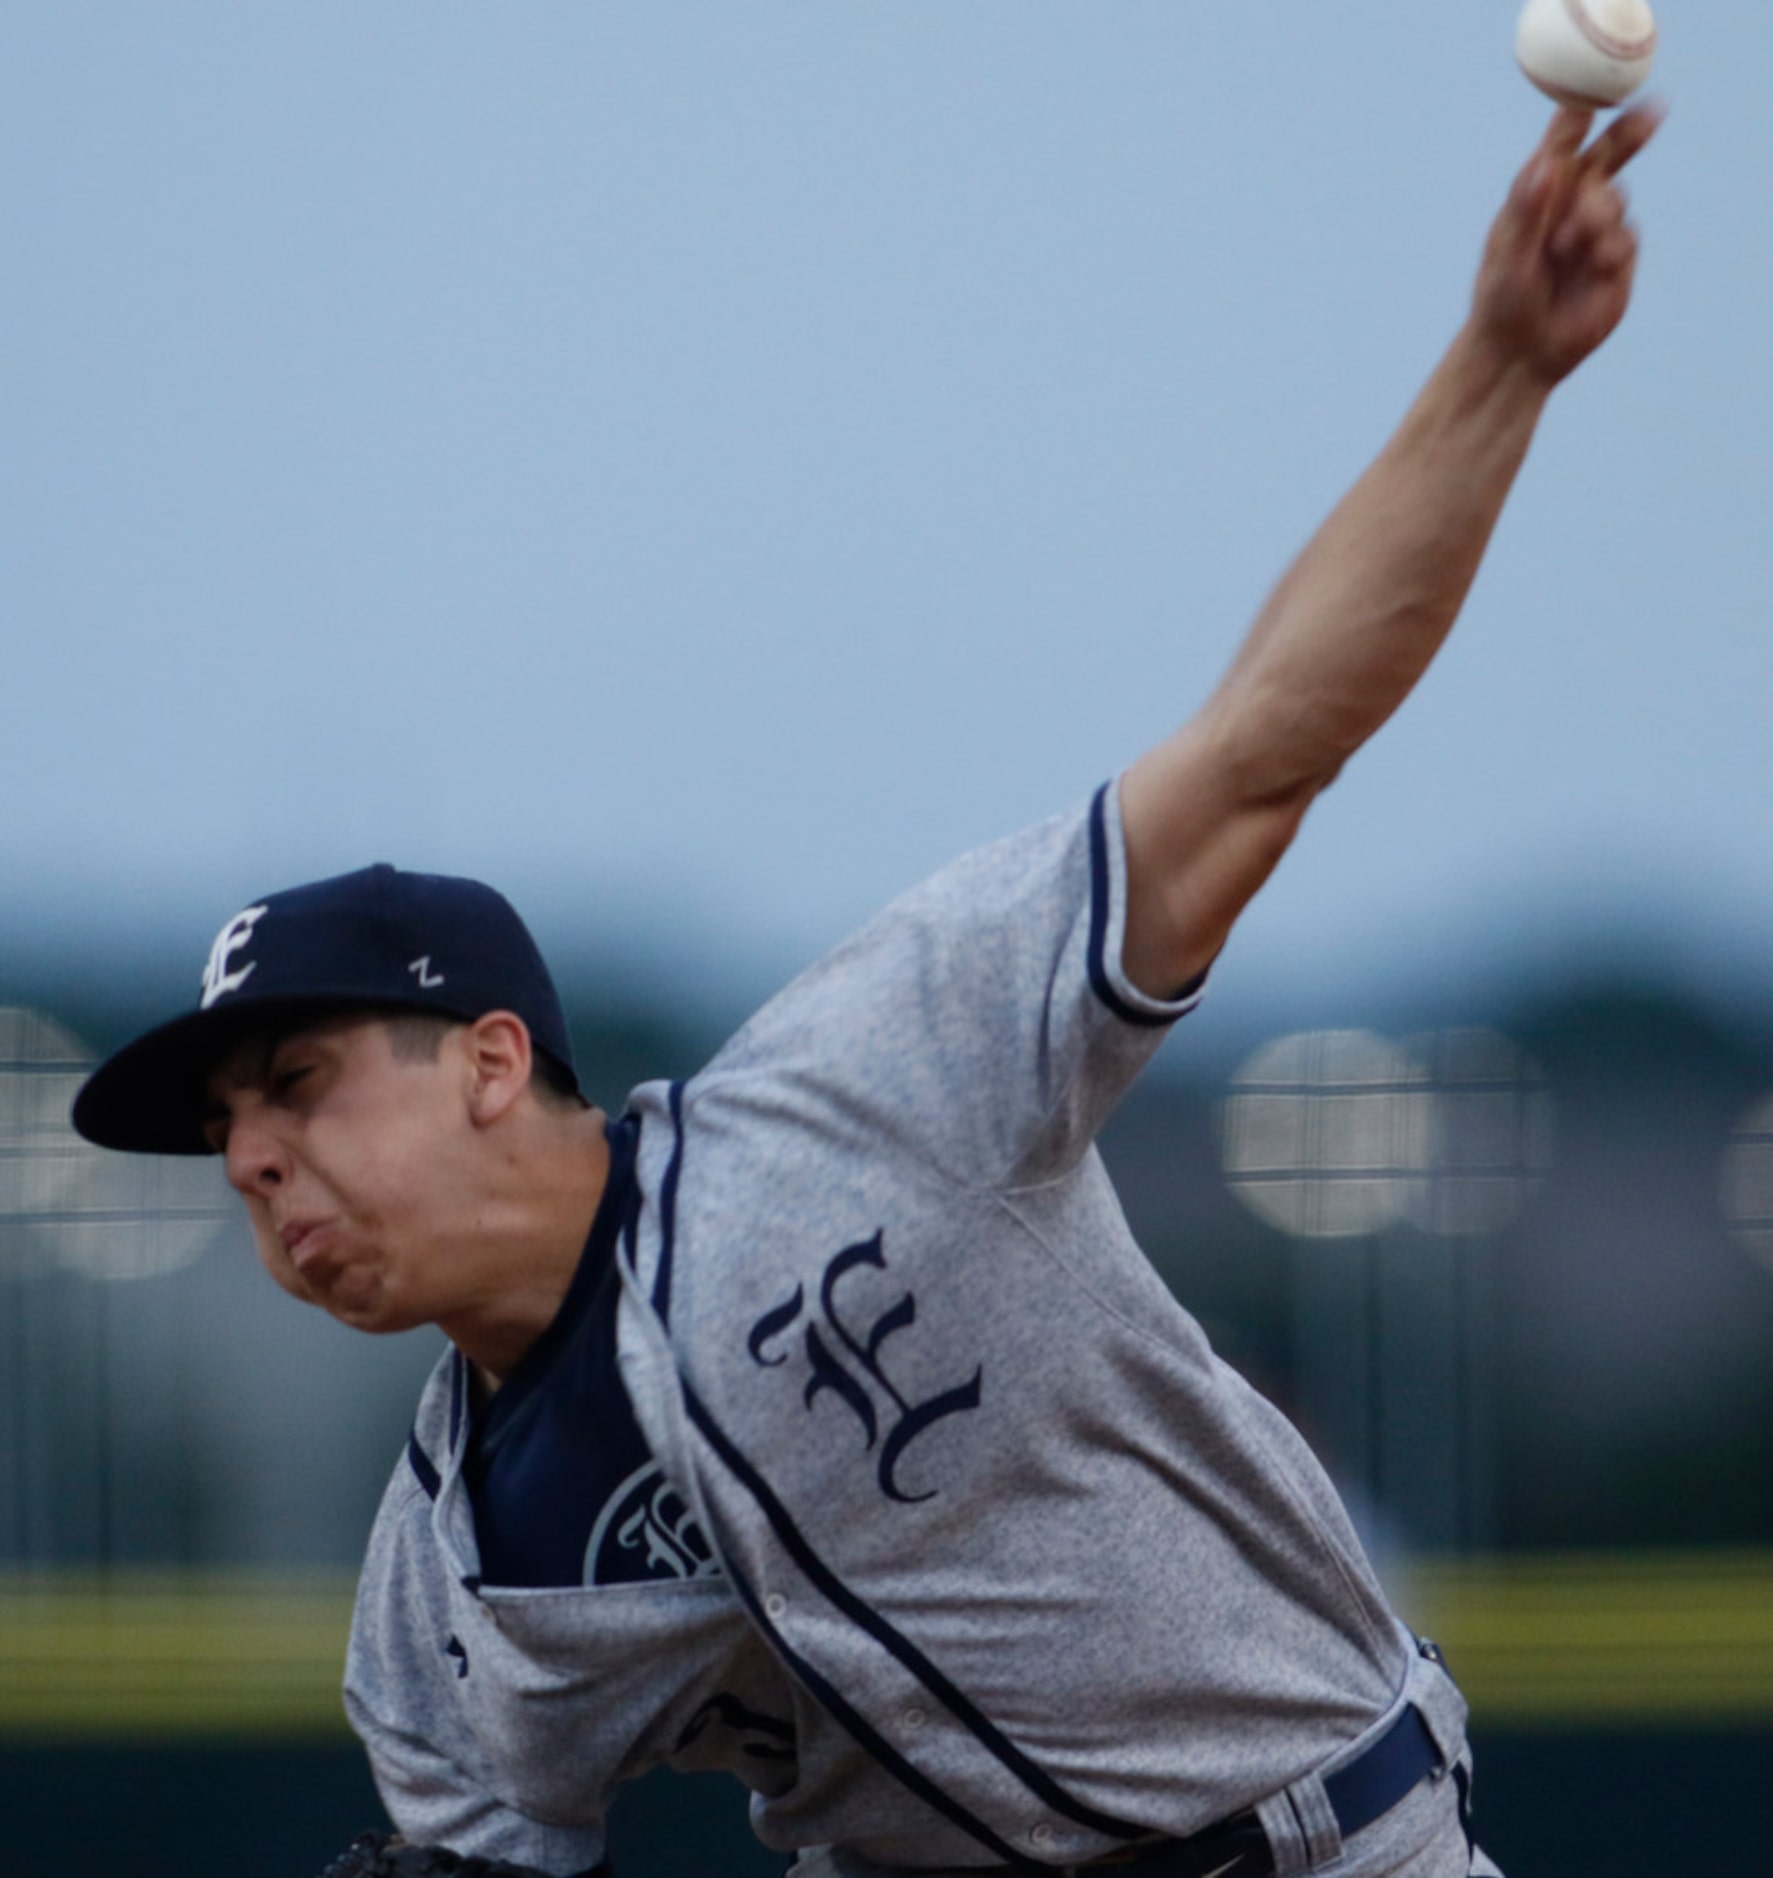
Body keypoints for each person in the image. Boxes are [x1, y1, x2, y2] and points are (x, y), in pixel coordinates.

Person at [73, 104, 1659, 1878]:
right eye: (222, 1129)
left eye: (295, 1077)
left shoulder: (870, 1086)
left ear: (493, 1060)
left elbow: (1261, 749)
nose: (251, 1159)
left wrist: (1499, 369)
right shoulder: (442, 1593)